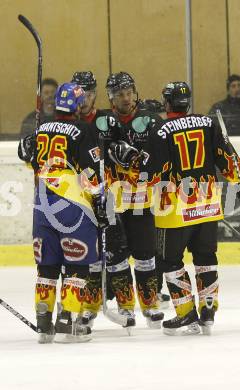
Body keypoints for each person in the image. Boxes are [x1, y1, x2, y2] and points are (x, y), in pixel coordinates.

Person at [146, 81, 240, 335]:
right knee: (206, 258)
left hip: (174, 208)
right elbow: (228, 158)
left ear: (167, 102)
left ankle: (185, 314)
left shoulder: (161, 131)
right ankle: (208, 310)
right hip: (206, 203)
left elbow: (152, 174)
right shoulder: (208, 123)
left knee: (169, 261)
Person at [18, 82, 108, 343]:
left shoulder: (42, 128)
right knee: (78, 265)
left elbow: (30, 159)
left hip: (42, 204)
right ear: (78, 105)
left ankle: (44, 324)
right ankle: (68, 322)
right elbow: (91, 172)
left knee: (47, 266)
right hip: (72, 204)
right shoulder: (82, 129)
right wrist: (100, 202)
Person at [70, 71, 134, 329]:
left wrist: (124, 154)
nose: (83, 97)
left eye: (87, 92)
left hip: (106, 196)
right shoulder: (67, 124)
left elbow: (127, 152)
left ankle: (126, 306)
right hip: (77, 200)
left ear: (95, 93)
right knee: (89, 257)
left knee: (117, 253)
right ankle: (88, 307)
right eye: (78, 92)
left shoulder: (108, 120)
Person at [105, 71, 164, 328]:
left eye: (129, 93)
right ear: (111, 98)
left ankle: (150, 305)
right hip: (112, 200)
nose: (126, 98)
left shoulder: (149, 121)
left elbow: (163, 153)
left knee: (145, 254)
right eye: (120, 95)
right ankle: (125, 307)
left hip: (141, 198)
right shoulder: (103, 122)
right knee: (117, 259)